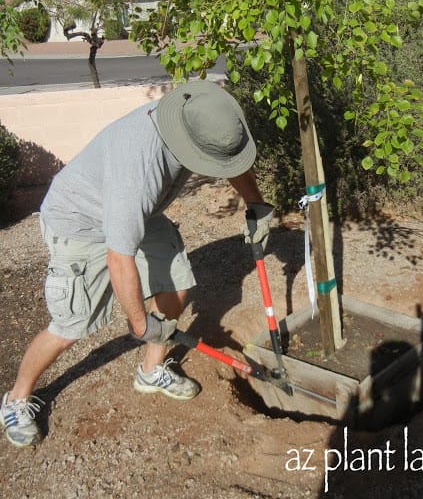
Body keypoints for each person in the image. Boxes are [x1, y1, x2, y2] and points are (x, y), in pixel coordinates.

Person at [1, 80, 273, 448]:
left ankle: (150, 371)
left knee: (176, 280)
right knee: (71, 325)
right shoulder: (138, 174)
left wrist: (256, 204)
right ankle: (16, 400)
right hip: (80, 223)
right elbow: (119, 257)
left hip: (134, 214)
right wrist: (142, 324)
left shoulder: (194, 118)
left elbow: (227, 158)